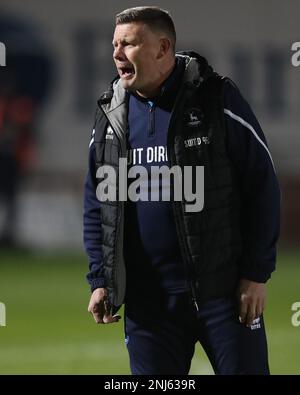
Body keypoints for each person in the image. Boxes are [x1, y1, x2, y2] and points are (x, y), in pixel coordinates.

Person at [83, 6, 280, 375]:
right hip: (149, 306)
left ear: (162, 47)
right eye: (114, 45)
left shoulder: (216, 98)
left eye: (128, 43)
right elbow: (97, 202)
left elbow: (263, 184)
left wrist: (256, 274)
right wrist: (100, 279)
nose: (116, 54)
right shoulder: (111, 114)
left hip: (224, 295)